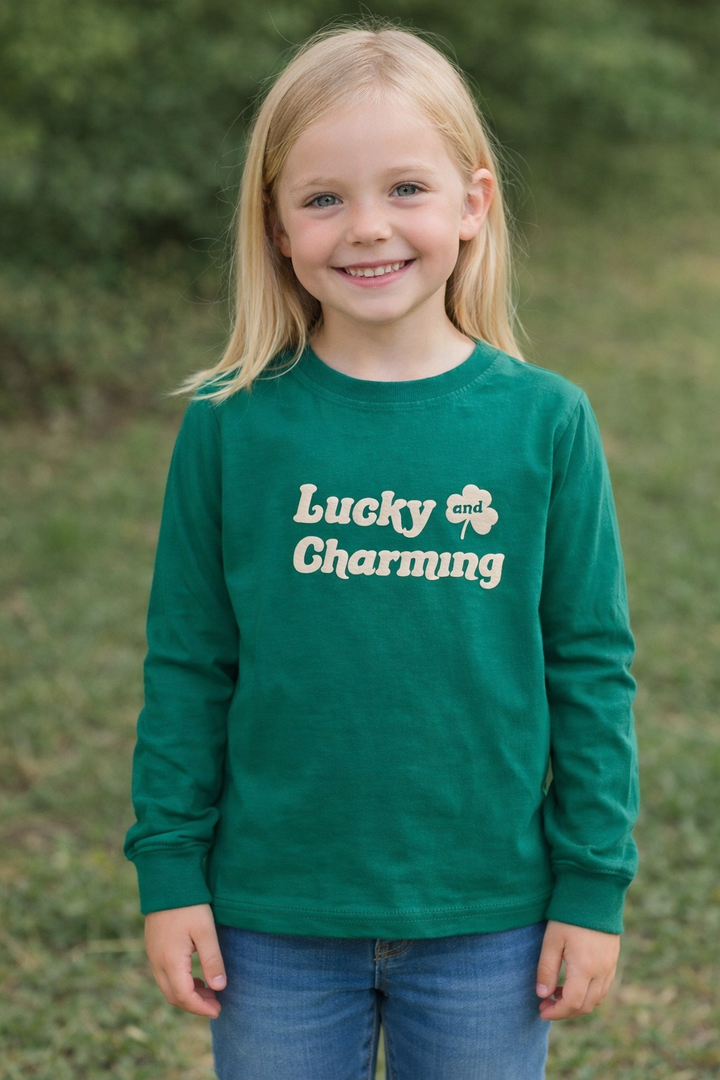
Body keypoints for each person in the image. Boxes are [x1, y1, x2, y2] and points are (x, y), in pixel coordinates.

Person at [123, 17, 640, 1080]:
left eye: (405, 188)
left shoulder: (545, 423)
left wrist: (592, 886)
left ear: (473, 203)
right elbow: (188, 662)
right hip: (272, 916)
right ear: (275, 226)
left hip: (490, 917)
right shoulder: (231, 427)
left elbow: (590, 666)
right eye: (323, 197)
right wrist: (170, 873)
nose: (367, 228)